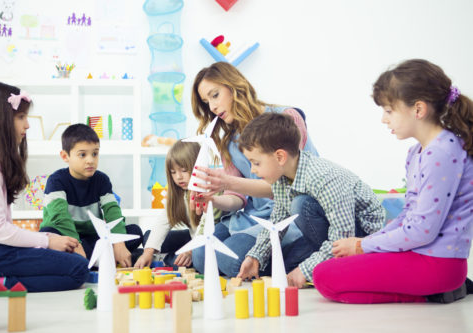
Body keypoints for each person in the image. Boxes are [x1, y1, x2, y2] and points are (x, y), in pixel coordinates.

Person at [313, 59, 473, 304]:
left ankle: (433, 294)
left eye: (389, 111)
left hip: (438, 263)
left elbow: (422, 231)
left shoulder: (442, 152)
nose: (384, 119)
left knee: (324, 277)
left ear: (418, 109)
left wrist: (363, 246)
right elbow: (407, 214)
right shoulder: (417, 153)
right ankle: (430, 292)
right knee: (330, 269)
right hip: (420, 255)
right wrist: (364, 244)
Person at [189, 61, 320, 277]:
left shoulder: (286, 119)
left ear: (234, 87)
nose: (211, 107)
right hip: (254, 216)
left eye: (215, 95)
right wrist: (213, 199)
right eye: (206, 101)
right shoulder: (229, 142)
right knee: (201, 258)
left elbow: (288, 186)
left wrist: (226, 181)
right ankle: (279, 257)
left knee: (231, 261)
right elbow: (237, 198)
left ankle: (300, 254)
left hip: (292, 212)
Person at [236, 112, 385, 286]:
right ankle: (319, 262)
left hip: (358, 238)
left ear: (280, 157)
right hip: (325, 235)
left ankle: (335, 266)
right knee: (283, 265)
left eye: (256, 163)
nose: (252, 170)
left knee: (301, 205)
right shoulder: (281, 178)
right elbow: (277, 223)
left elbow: (343, 236)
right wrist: (256, 256)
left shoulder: (323, 177)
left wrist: (305, 269)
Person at [0, 82, 89, 292]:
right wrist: (46, 242)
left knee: (67, 256)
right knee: (78, 269)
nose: (27, 125)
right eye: (20, 118)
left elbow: (0, 228)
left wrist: (46, 239)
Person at [40, 124, 143, 268]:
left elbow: (113, 211)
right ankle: (102, 259)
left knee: (134, 232)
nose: (90, 160)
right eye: (82, 155)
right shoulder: (56, 181)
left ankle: (97, 258)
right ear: (65, 156)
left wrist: (118, 243)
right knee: (48, 234)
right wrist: (77, 245)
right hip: (65, 235)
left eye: (95, 154)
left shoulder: (102, 180)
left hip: (91, 237)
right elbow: (60, 218)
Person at [134, 140, 219, 269]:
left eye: (183, 170)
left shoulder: (209, 190)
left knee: (187, 261)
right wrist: (148, 252)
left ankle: (171, 258)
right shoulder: (180, 193)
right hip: (191, 236)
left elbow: (206, 228)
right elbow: (164, 221)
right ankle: (170, 256)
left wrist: (190, 251)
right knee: (148, 238)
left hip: (207, 239)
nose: (178, 177)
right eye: (173, 172)